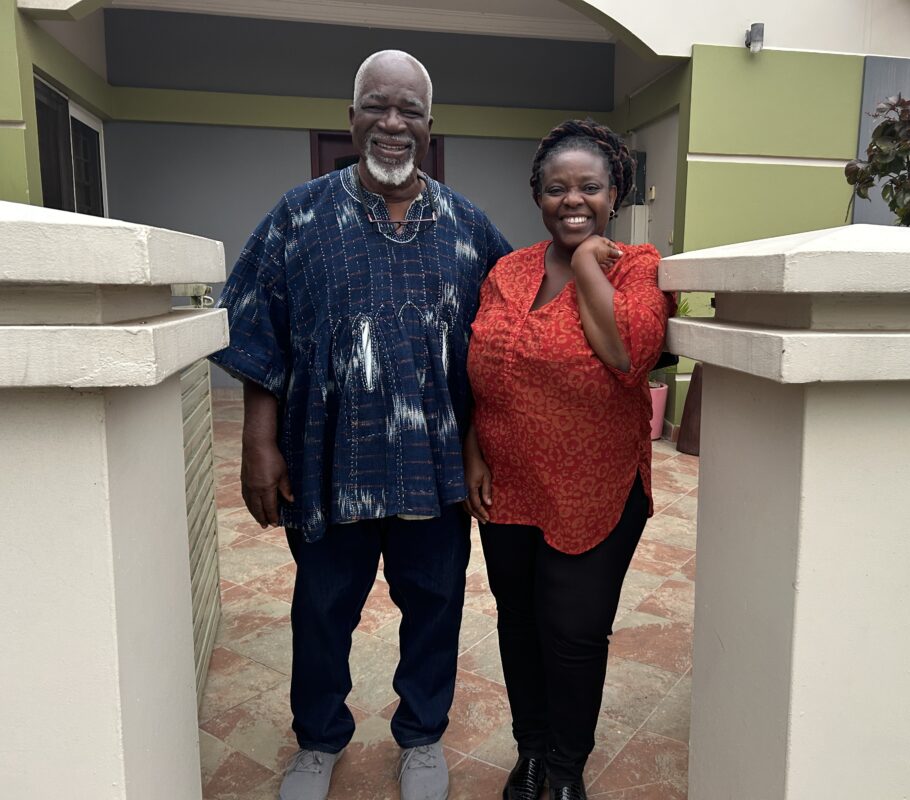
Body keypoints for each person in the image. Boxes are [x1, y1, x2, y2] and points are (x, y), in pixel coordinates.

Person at [209, 50, 510, 800]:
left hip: (434, 469)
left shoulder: (470, 228)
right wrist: (257, 443)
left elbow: (509, 333)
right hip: (327, 464)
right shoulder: (298, 214)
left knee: (436, 608)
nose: (392, 123)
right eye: (377, 105)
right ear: (351, 118)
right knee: (320, 610)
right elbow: (256, 334)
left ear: (428, 126)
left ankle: (421, 736)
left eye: (408, 110)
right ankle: (317, 739)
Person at [462, 120, 672, 800]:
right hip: (509, 482)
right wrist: (475, 450)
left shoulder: (636, 265)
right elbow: (484, 368)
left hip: (595, 485)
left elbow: (626, 355)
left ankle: (564, 770)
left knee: (574, 633)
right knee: (519, 624)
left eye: (588, 187)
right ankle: (530, 752)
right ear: (537, 196)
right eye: (556, 188)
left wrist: (584, 264)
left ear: (615, 194)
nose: (571, 200)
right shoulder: (507, 271)